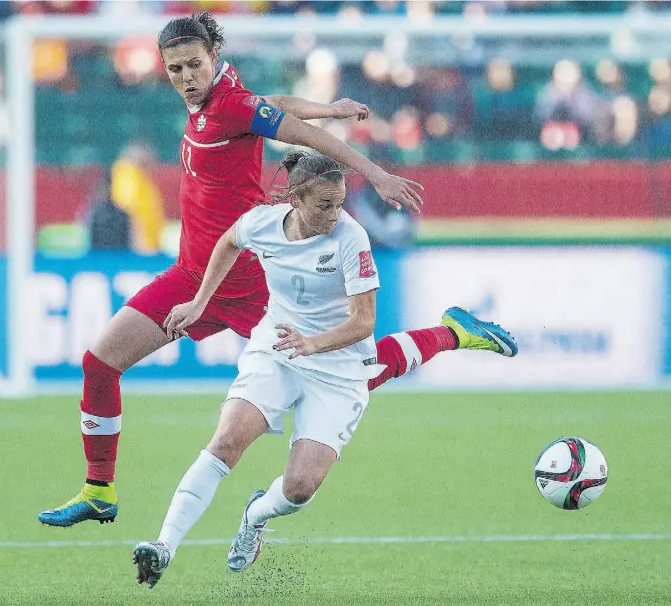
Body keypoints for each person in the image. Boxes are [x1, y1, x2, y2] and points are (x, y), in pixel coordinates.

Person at [38, 13, 517, 529]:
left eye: (194, 65)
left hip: (249, 281)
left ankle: (450, 334)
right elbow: (279, 107)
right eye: (175, 69)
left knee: (350, 370)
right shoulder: (223, 94)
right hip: (192, 276)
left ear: (212, 60)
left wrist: (373, 173)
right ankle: (98, 489)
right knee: (100, 362)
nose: (186, 78)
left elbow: (306, 137)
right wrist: (330, 107)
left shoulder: (232, 105)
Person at [132, 151, 516, 588]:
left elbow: (363, 321)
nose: (335, 215)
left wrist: (312, 344)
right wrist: (199, 302)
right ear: (295, 199)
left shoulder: (351, 239)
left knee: (299, 488)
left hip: (336, 366)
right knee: (225, 442)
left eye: (339, 203)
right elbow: (229, 241)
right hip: (276, 351)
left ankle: (254, 517)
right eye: (324, 206)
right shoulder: (263, 223)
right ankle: (163, 545)